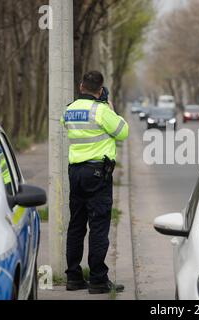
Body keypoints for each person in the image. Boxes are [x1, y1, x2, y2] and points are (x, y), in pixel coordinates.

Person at [62, 71, 129, 294]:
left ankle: (73, 277)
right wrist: (109, 108)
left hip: (75, 173)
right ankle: (99, 280)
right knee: (98, 226)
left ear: (81, 86)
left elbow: (67, 125)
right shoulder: (101, 111)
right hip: (98, 174)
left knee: (76, 225)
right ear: (100, 90)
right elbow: (123, 132)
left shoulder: (69, 109)